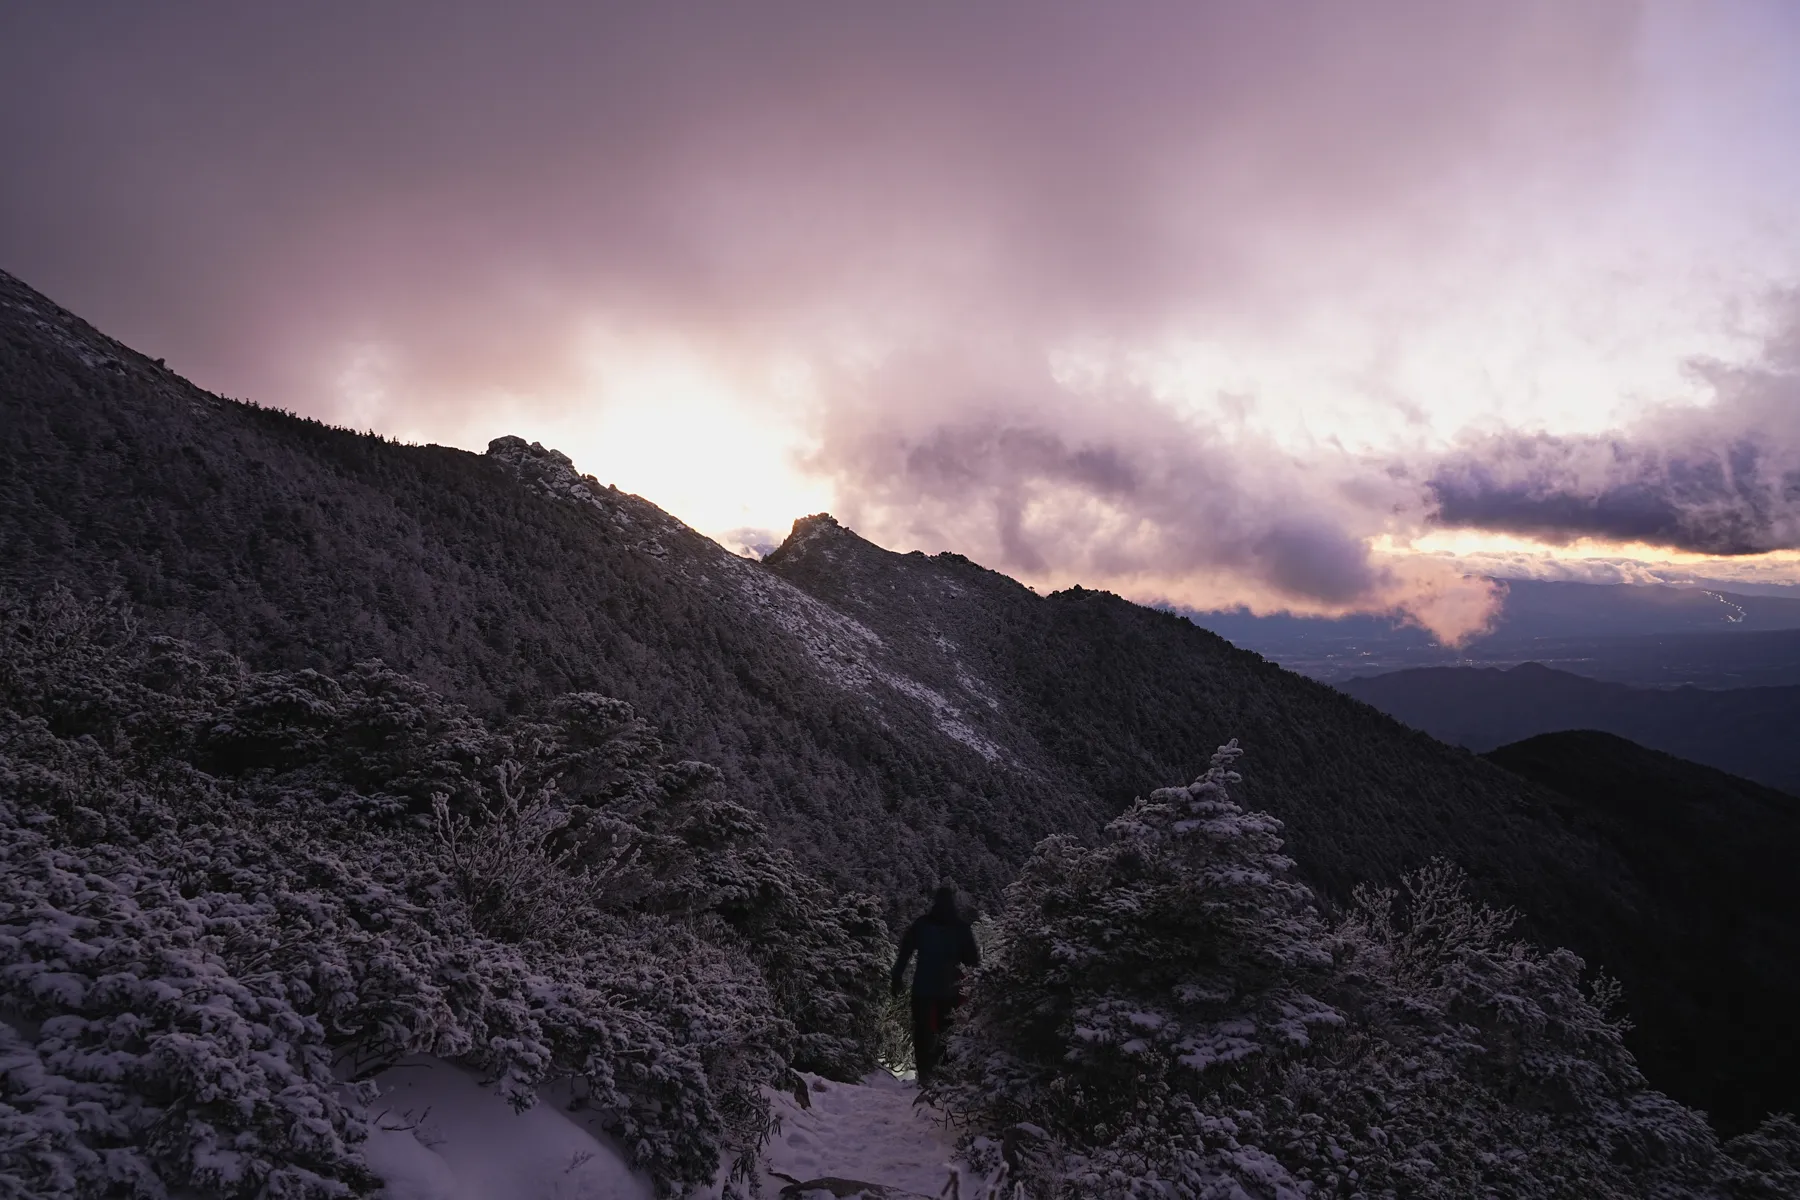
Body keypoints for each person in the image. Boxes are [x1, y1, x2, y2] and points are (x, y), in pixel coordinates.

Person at [891, 885, 980, 1085]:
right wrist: (971, 989)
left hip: (922, 989)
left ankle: (925, 1075)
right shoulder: (961, 928)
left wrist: (896, 977)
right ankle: (944, 1078)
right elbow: (974, 962)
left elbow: (905, 952)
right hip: (951, 991)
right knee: (947, 1034)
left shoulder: (921, 925)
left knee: (922, 1033)